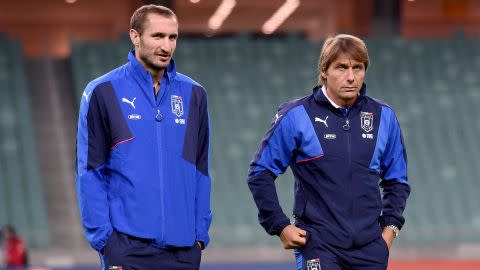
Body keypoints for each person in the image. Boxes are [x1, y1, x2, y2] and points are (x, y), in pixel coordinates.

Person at [247, 34, 410, 270]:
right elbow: (260, 172)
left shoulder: (383, 116)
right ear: (324, 70)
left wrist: (388, 233)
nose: (351, 76)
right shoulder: (297, 115)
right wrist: (280, 225)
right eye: (342, 67)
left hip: (370, 249)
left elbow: (398, 181)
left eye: (358, 67)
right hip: (319, 244)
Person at [75, 4, 212, 270]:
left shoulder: (195, 95)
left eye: (172, 37)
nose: (166, 46)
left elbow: (201, 171)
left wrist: (198, 237)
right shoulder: (103, 92)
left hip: (183, 251)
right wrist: (105, 240)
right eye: (157, 36)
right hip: (126, 249)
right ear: (135, 36)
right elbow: (89, 171)